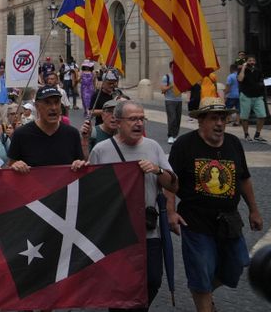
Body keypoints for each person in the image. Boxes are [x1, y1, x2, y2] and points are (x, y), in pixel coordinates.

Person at [167, 97, 263, 312]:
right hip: (196, 221)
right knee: (201, 271)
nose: (220, 123)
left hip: (229, 220)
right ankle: (204, 302)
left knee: (237, 263)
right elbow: (170, 182)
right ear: (201, 121)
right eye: (214, 118)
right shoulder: (184, 145)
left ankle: (204, 293)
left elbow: (244, 178)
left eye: (223, 118)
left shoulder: (233, 143)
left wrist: (254, 210)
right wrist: (171, 211)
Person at [88, 100, 178, 312]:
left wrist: (157, 170)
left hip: (149, 231)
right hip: (117, 234)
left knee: (153, 280)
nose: (139, 123)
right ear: (118, 122)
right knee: (121, 288)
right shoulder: (101, 150)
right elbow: (90, 191)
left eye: (141, 118)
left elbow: (174, 185)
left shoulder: (153, 147)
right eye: (133, 119)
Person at [8, 85, 86, 173]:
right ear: (37, 107)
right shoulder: (21, 134)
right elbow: (10, 166)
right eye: (47, 103)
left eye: (56, 102)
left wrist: (79, 163)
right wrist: (16, 165)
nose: (53, 107)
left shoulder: (72, 134)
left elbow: (82, 164)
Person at [237, 55, 266, 142]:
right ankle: (246, 134)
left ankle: (257, 134)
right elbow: (240, 79)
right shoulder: (242, 70)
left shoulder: (258, 71)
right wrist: (243, 68)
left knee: (262, 115)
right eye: (249, 60)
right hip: (246, 96)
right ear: (246, 62)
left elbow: (262, 81)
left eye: (253, 60)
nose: (252, 62)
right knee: (245, 117)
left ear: (255, 62)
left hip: (257, 96)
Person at [161, 61, 183, 144]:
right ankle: (170, 136)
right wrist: (171, 85)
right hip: (169, 100)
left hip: (179, 100)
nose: (175, 68)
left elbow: (184, 89)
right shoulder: (166, 77)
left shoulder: (180, 77)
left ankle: (175, 136)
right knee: (172, 118)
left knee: (178, 119)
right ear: (170, 67)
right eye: (174, 67)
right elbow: (162, 89)